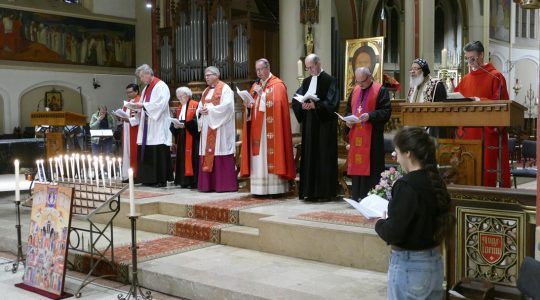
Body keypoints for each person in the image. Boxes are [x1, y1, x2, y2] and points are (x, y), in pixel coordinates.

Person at [375, 127, 455, 299]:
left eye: (397, 153)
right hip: (434, 262)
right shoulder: (435, 180)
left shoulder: (406, 185)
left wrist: (379, 223)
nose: (396, 158)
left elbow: (395, 232)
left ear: (408, 154)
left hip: (410, 266)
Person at [454, 40, 511, 187]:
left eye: (472, 58)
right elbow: (457, 99)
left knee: (485, 173)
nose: (469, 62)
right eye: (467, 59)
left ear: (482, 56)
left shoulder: (495, 76)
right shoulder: (466, 79)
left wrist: (479, 100)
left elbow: (501, 104)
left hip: (486, 132)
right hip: (467, 132)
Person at [240, 58, 295, 196]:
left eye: (261, 69)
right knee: (259, 157)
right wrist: (248, 107)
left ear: (268, 68)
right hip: (257, 130)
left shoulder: (278, 85)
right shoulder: (254, 86)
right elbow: (252, 107)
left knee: (271, 154)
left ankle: (274, 189)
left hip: (271, 130)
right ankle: (258, 189)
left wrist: (262, 96)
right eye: (256, 70)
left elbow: (277, 105)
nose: (258, 73)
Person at [292, 53, 339, 201]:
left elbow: (333, 103)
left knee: (322, 157)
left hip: (324, 127)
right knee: (310, 156)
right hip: (310, 126)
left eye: (311, 67)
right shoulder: (306, 82)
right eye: (307, 68)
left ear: (318, 63)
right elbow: (296, 99)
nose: (310, 71)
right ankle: (309, 192)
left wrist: (316, 105)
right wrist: (303, 105)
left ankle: (324, 193)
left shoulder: (330, 80)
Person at [345, 67, 391, 201]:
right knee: (357, 167)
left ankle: (371, 198)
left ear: (369, 77)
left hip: (372, 139)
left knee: (372, 168)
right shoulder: (355, 90)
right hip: (356, 137)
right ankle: (357, 195)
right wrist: (348, 120)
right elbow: (348, 110)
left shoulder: (380, 90)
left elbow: (386, 112)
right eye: (357, 81)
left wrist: (370, 116)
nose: (360, 84)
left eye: (362, 81)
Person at [130, 64, 173, 187]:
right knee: (147, 150)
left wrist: (143, 106)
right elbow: (143, 104)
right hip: (147, 126)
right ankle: (148, 178)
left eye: (142, 77)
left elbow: (161, 104)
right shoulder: (146, 89)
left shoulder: (161, 86)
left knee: (157, 149)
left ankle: (160, 179)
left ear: (148, 74)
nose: (141, 80)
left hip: (157, 124)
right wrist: (137, 108)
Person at [197, 66, 237, 192]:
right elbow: (199, 107)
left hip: (220, 128)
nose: (206, 77)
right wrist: (201, 111)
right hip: (207, 128)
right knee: (207, 152)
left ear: (216, 75)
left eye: (209, 75)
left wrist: (210, 110)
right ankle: (207, 185)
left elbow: (228, 107)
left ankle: (223, 185)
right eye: (205, 75)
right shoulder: (205, 91)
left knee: (220, 151)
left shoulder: (225, 89)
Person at [170, 87, 199, 188]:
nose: (179, 99)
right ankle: (183, 181)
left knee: (192, 158)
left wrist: (186, 125)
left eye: (181, 96)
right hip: (182, 136)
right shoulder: (179, 107)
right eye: (178, 97)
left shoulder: (195, 105)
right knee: (182, 158)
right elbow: (177, 120)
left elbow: (197, 121)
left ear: (187, 95)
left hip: (192, 136)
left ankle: (192, 181)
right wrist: (175, 126)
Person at [118, 83, 140, 181]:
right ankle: (127, 175)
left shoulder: (139, 101)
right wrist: (119, 117)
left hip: (135, 131)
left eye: (130, 92)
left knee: (134, 153)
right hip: (126, 131)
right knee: (126, 153)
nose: (128, 94)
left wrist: (129, 120)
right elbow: (124, 115)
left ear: (136, 91)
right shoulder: (127, 103)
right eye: (127, 92)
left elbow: (140, 118)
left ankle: (135, 175)